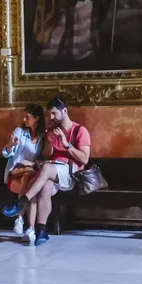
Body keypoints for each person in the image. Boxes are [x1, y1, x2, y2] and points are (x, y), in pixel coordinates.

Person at [18, 97, 90, 246]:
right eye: (49, 114)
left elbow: (84, 159)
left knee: (46, 168)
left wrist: (66, 144)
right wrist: (49, 142)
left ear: (64, 111)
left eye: (54, 113)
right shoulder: (52, 130)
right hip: (53, 171)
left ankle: (22, 202)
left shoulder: (80, 131)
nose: (51, 117)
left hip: (72, 173)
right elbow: (46, 156)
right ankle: (41, 231)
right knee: (44, 187)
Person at [0, 104, 46, 237]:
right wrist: (11, 144)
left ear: (37, 118)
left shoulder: (42, 138)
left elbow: (41, 159)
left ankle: (24, 224)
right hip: (15, 173)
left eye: (28, 116)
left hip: (30, 172)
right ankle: (24, 223)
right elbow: (5, 154)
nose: (24, 119)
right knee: (30, 183)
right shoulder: (19, 132)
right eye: (24, 116)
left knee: (31, 186)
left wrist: (30, 164)